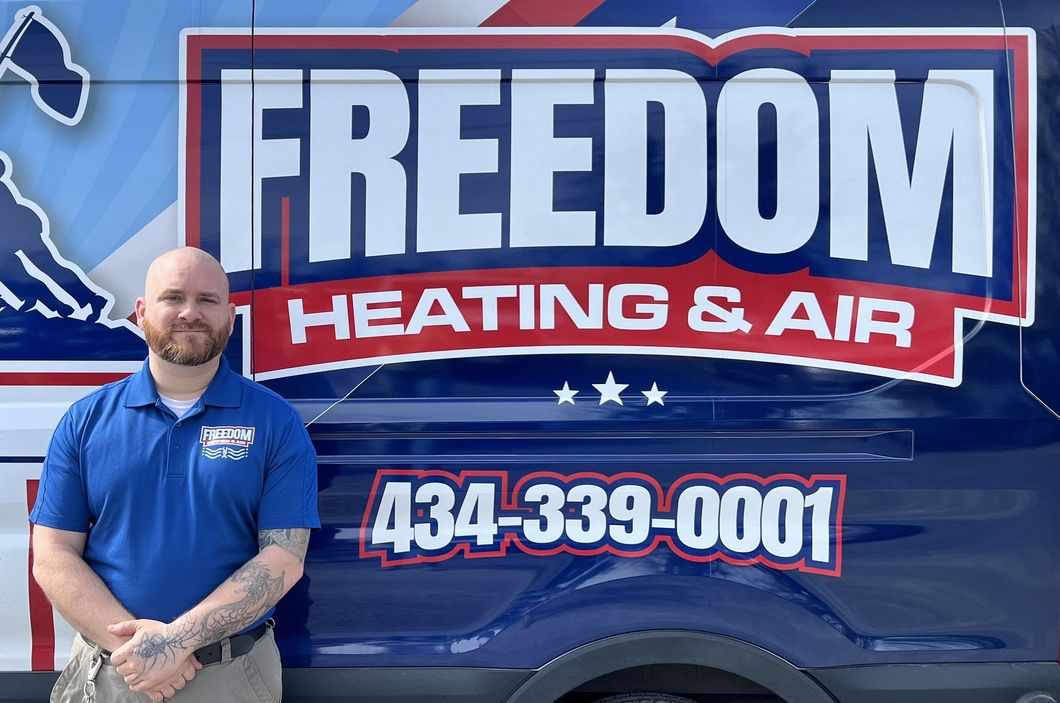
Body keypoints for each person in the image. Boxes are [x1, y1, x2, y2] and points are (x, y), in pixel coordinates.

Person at [29, 246, 319, 702]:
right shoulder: (85, 420)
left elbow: (283, 559)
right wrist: (141, 655)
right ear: (142, 312)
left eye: (207, 299)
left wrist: (175, 642)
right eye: (172, 298)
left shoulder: (276, 422)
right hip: (113, 672)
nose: (190, 313)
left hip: (232, 675)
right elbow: (53, 555)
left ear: (231, 314)